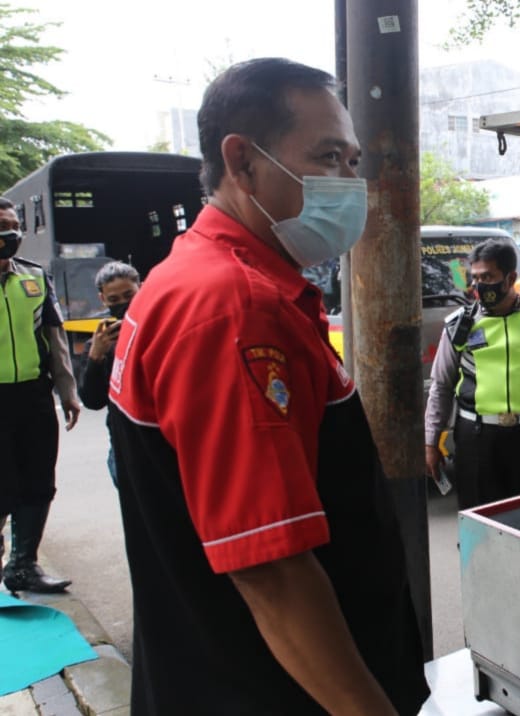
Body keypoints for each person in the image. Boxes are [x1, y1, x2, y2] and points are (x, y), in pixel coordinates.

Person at [106, 58, 426, 714]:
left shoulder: (215, 277)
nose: (349, 182)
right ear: (243, 161)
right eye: (328, 156)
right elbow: (271, 568)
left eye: (352, 160)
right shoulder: (232, 307)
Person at [424, 239, 520, 509]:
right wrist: (430, 442)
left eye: (487, 276)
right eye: (475, 278)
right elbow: (441, 385)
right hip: (477, 438)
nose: (479, 285)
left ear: (510, 277)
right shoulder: (459, 325)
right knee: (481, 526)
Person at [0, 200, 80, 593]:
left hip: (33, 395)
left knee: (38, 480)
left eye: (14, 227)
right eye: (2, 226)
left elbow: (55, 337)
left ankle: (23, 565)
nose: (9, 234)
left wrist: (67, 392)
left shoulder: (33, 277)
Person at [78, 261, 140, 487]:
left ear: (140, 289)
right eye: (114, 300)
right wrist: (96, 356)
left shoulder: (159, 329)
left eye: (128, 295)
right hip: (124, 446)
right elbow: (92, 401)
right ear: (102, 299)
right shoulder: (99, 344)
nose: (123, 304)